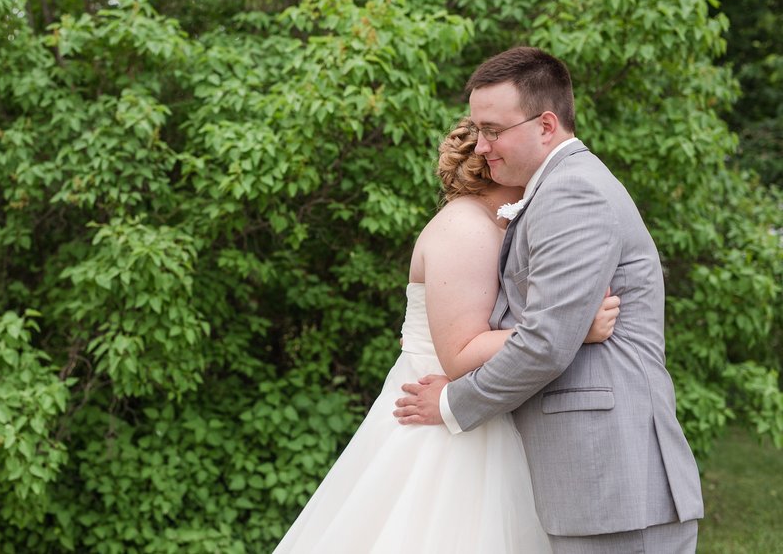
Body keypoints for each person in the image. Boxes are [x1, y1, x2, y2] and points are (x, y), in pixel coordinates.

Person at [393, 47, 704, 553]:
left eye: (493, 130)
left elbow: (544, 343)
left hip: (613, 478)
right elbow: (549, 328)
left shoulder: (571, 193)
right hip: (597, 481)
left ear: (545, 124)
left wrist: (452, 402)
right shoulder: (550, 192)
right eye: (477, 130)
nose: (480, 147)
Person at [274, 117, 620, 553]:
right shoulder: (467, 229)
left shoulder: (498, 227)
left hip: (476, 408)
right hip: (437, 421)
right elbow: (461, 349)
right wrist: (574, 328)